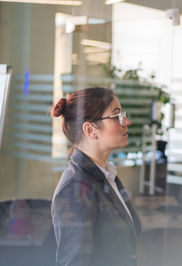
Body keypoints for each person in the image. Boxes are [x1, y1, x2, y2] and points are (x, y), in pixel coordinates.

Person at [50, 87, 141, 266]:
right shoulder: (74, 189)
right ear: (90, 130)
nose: (127, 121)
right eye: (116, 116)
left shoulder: (106, 175)